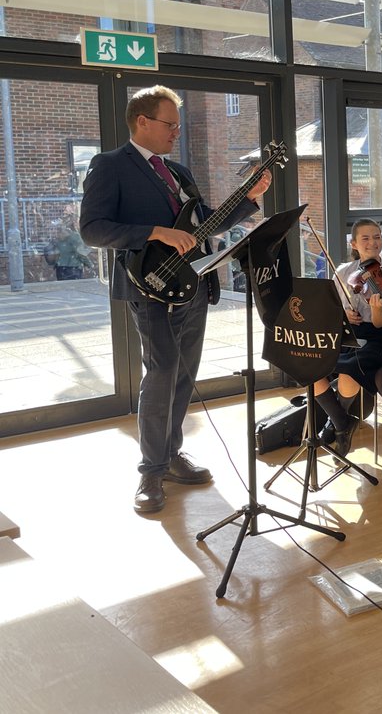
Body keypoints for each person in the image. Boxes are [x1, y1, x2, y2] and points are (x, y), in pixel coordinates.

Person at [79, 85, 270, 515]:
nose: (176, 131)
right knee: (161, 371)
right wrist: (154, 231)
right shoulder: (109, 166)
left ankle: (171, 455)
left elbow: (204, 225)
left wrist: (250, 198)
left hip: (193, 286)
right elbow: (92, 229)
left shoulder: (179, 172)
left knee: (184, 373)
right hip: (147, 287)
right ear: (142, 121)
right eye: (170, 124)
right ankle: (151, 469)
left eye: (178, 125)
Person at [310, 219, 382, 457]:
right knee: (311, 365)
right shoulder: (344, 271)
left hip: (378, 337)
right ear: (354, 243)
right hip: (348, 333)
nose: (372, 242)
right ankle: (340, 422)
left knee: (349, 371)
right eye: (365, 238)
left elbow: (381, 323)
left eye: (377, 237)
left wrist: (377, 309)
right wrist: (343, 314)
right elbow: (330, 307)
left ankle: (335, 424)